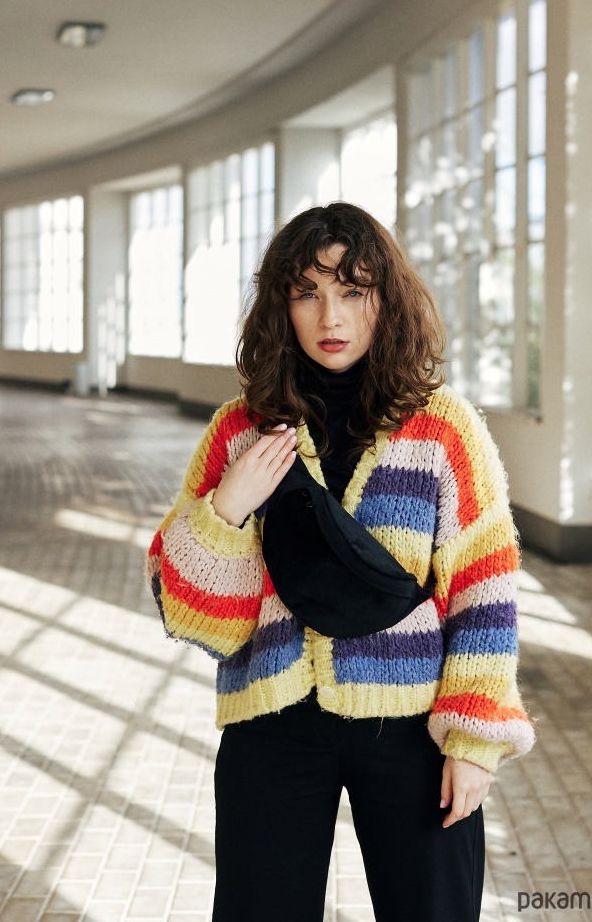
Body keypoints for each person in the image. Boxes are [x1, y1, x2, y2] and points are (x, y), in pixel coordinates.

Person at [146, 202, 537, 922]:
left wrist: (475, 739)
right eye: (308, 292)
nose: (331, 316)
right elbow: (199, 621)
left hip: (415, 725)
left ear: (386, 300)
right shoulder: (238, 431)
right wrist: (226, 509)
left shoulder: (443, 428)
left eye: (353, 291)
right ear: (281, 306)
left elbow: (485, 587)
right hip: (272, 720)